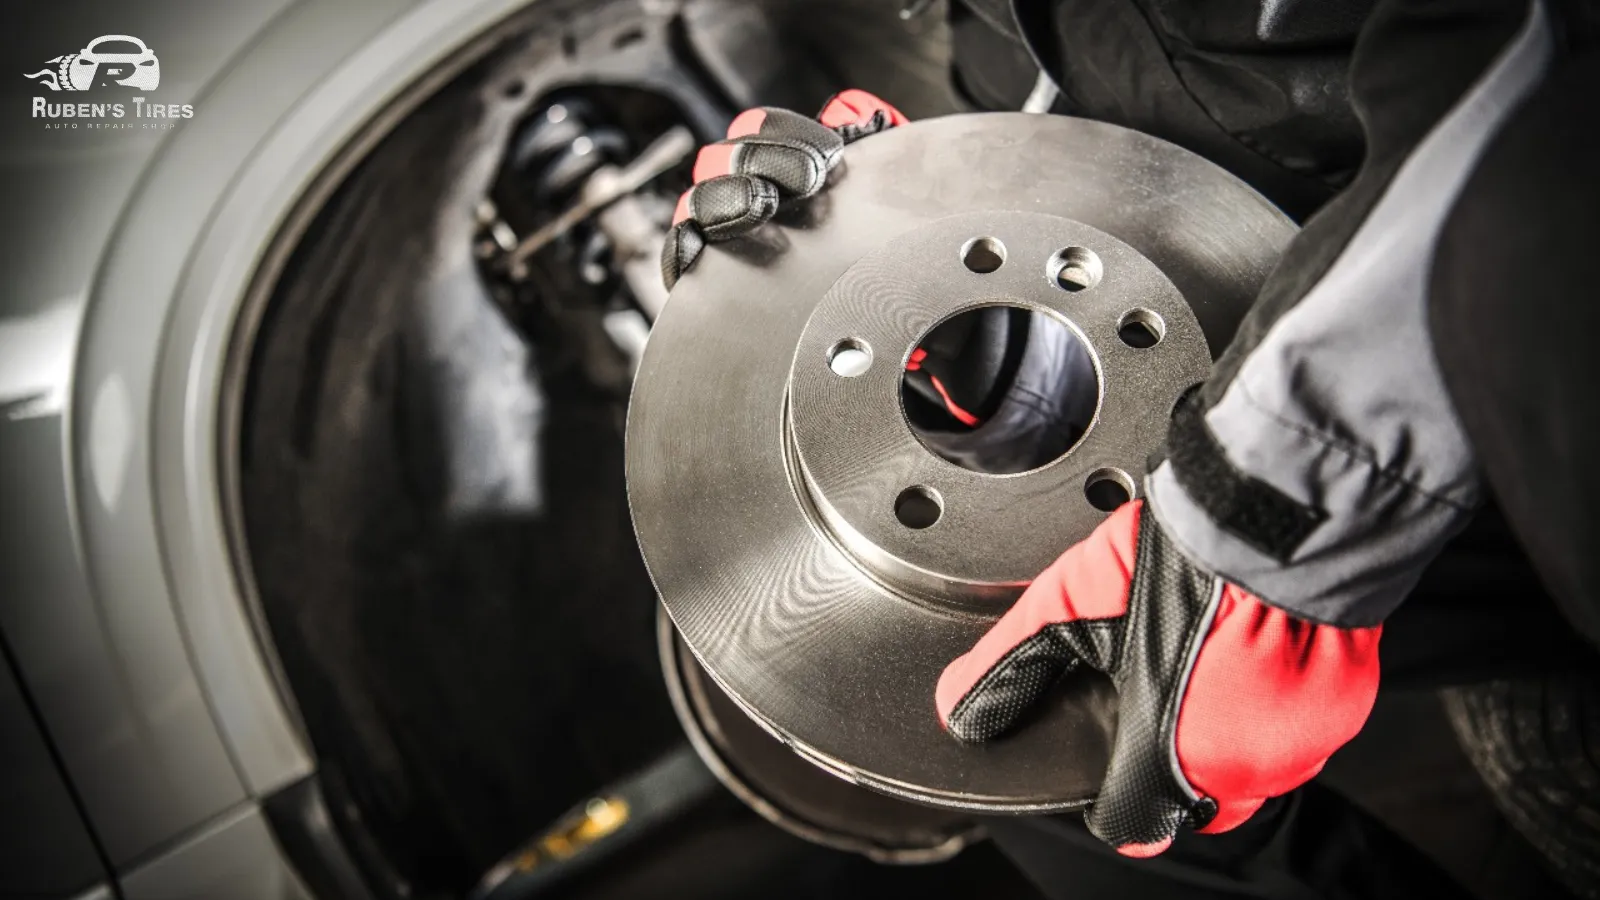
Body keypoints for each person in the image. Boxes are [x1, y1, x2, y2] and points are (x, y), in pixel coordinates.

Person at [659, 0, 1600, 895]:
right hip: (1248, 348)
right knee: (991, 725)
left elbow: (1540, 77)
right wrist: (999, 360)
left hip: (1480, 344)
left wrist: (1259, 510)